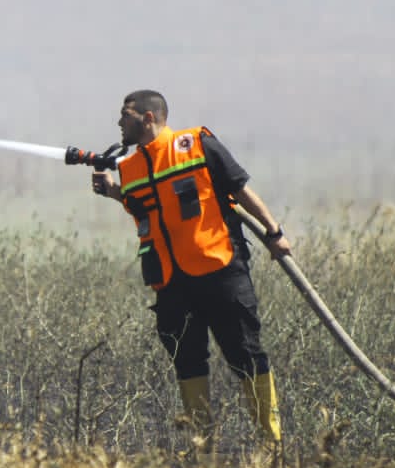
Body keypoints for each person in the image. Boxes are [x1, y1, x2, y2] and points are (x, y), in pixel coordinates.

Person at [90, 89, 291, 449]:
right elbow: (145, 210)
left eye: (126, 114)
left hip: (220, 271)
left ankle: (272, 445)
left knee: (246, 353)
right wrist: (114, 192)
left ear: (148, 118)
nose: (119, 122)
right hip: (171, 283)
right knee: (188, 362)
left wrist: (274, 233)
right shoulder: (130, 167)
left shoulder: (196, 144)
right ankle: (203, 451)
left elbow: (240, 189)